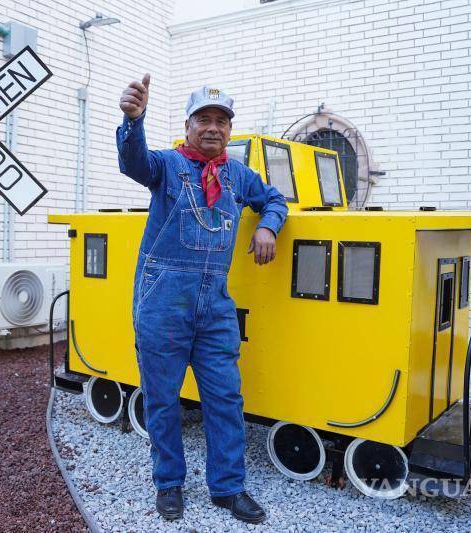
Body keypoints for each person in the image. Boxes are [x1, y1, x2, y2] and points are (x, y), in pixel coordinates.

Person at [116, 74, 288, 524]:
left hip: (214, 306)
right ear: (188, 125)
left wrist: (268, 224)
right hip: (163, 303)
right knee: (162, 399)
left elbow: (274, 199)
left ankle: (228, 489)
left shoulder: (239, 176)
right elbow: (134, 164)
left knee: (225, 398)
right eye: (203, 119)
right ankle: (169, 484)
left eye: (221, 121)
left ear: (230, 130)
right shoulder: (167, 165)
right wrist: (134, 121)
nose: (213, 127)